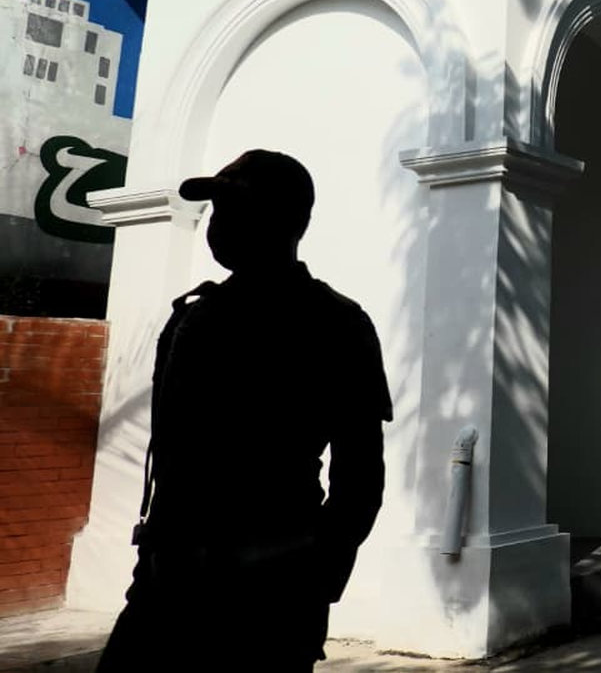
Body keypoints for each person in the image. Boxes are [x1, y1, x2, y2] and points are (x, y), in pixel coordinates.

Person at [98, 150, 392, 673]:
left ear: (289, 221)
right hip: (167, 584)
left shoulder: (337, 325)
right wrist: (155, 558)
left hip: (273, 596)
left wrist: (316, 573)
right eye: (217, 211)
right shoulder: (193, 319)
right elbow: (172, 457)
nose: (220, 226)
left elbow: (360, 478)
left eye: (236, 210)